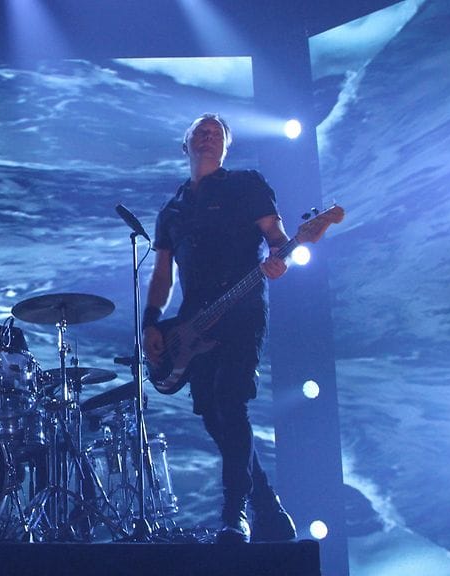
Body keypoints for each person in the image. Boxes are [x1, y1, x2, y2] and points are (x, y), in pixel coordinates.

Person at [142, 113, 297, 544]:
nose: (208, 138)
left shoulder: (246, 184)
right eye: (200, 132)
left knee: (232, 403)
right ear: (185, 144)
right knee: (214, 415)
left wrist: (280, 257)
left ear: (226, 146)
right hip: (194, 323)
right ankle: (266, 506)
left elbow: (278, 236)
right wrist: (151, 321)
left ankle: (234, 517)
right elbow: (162, 275)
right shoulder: (171, 209)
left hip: (243, 311)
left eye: (217, 133)